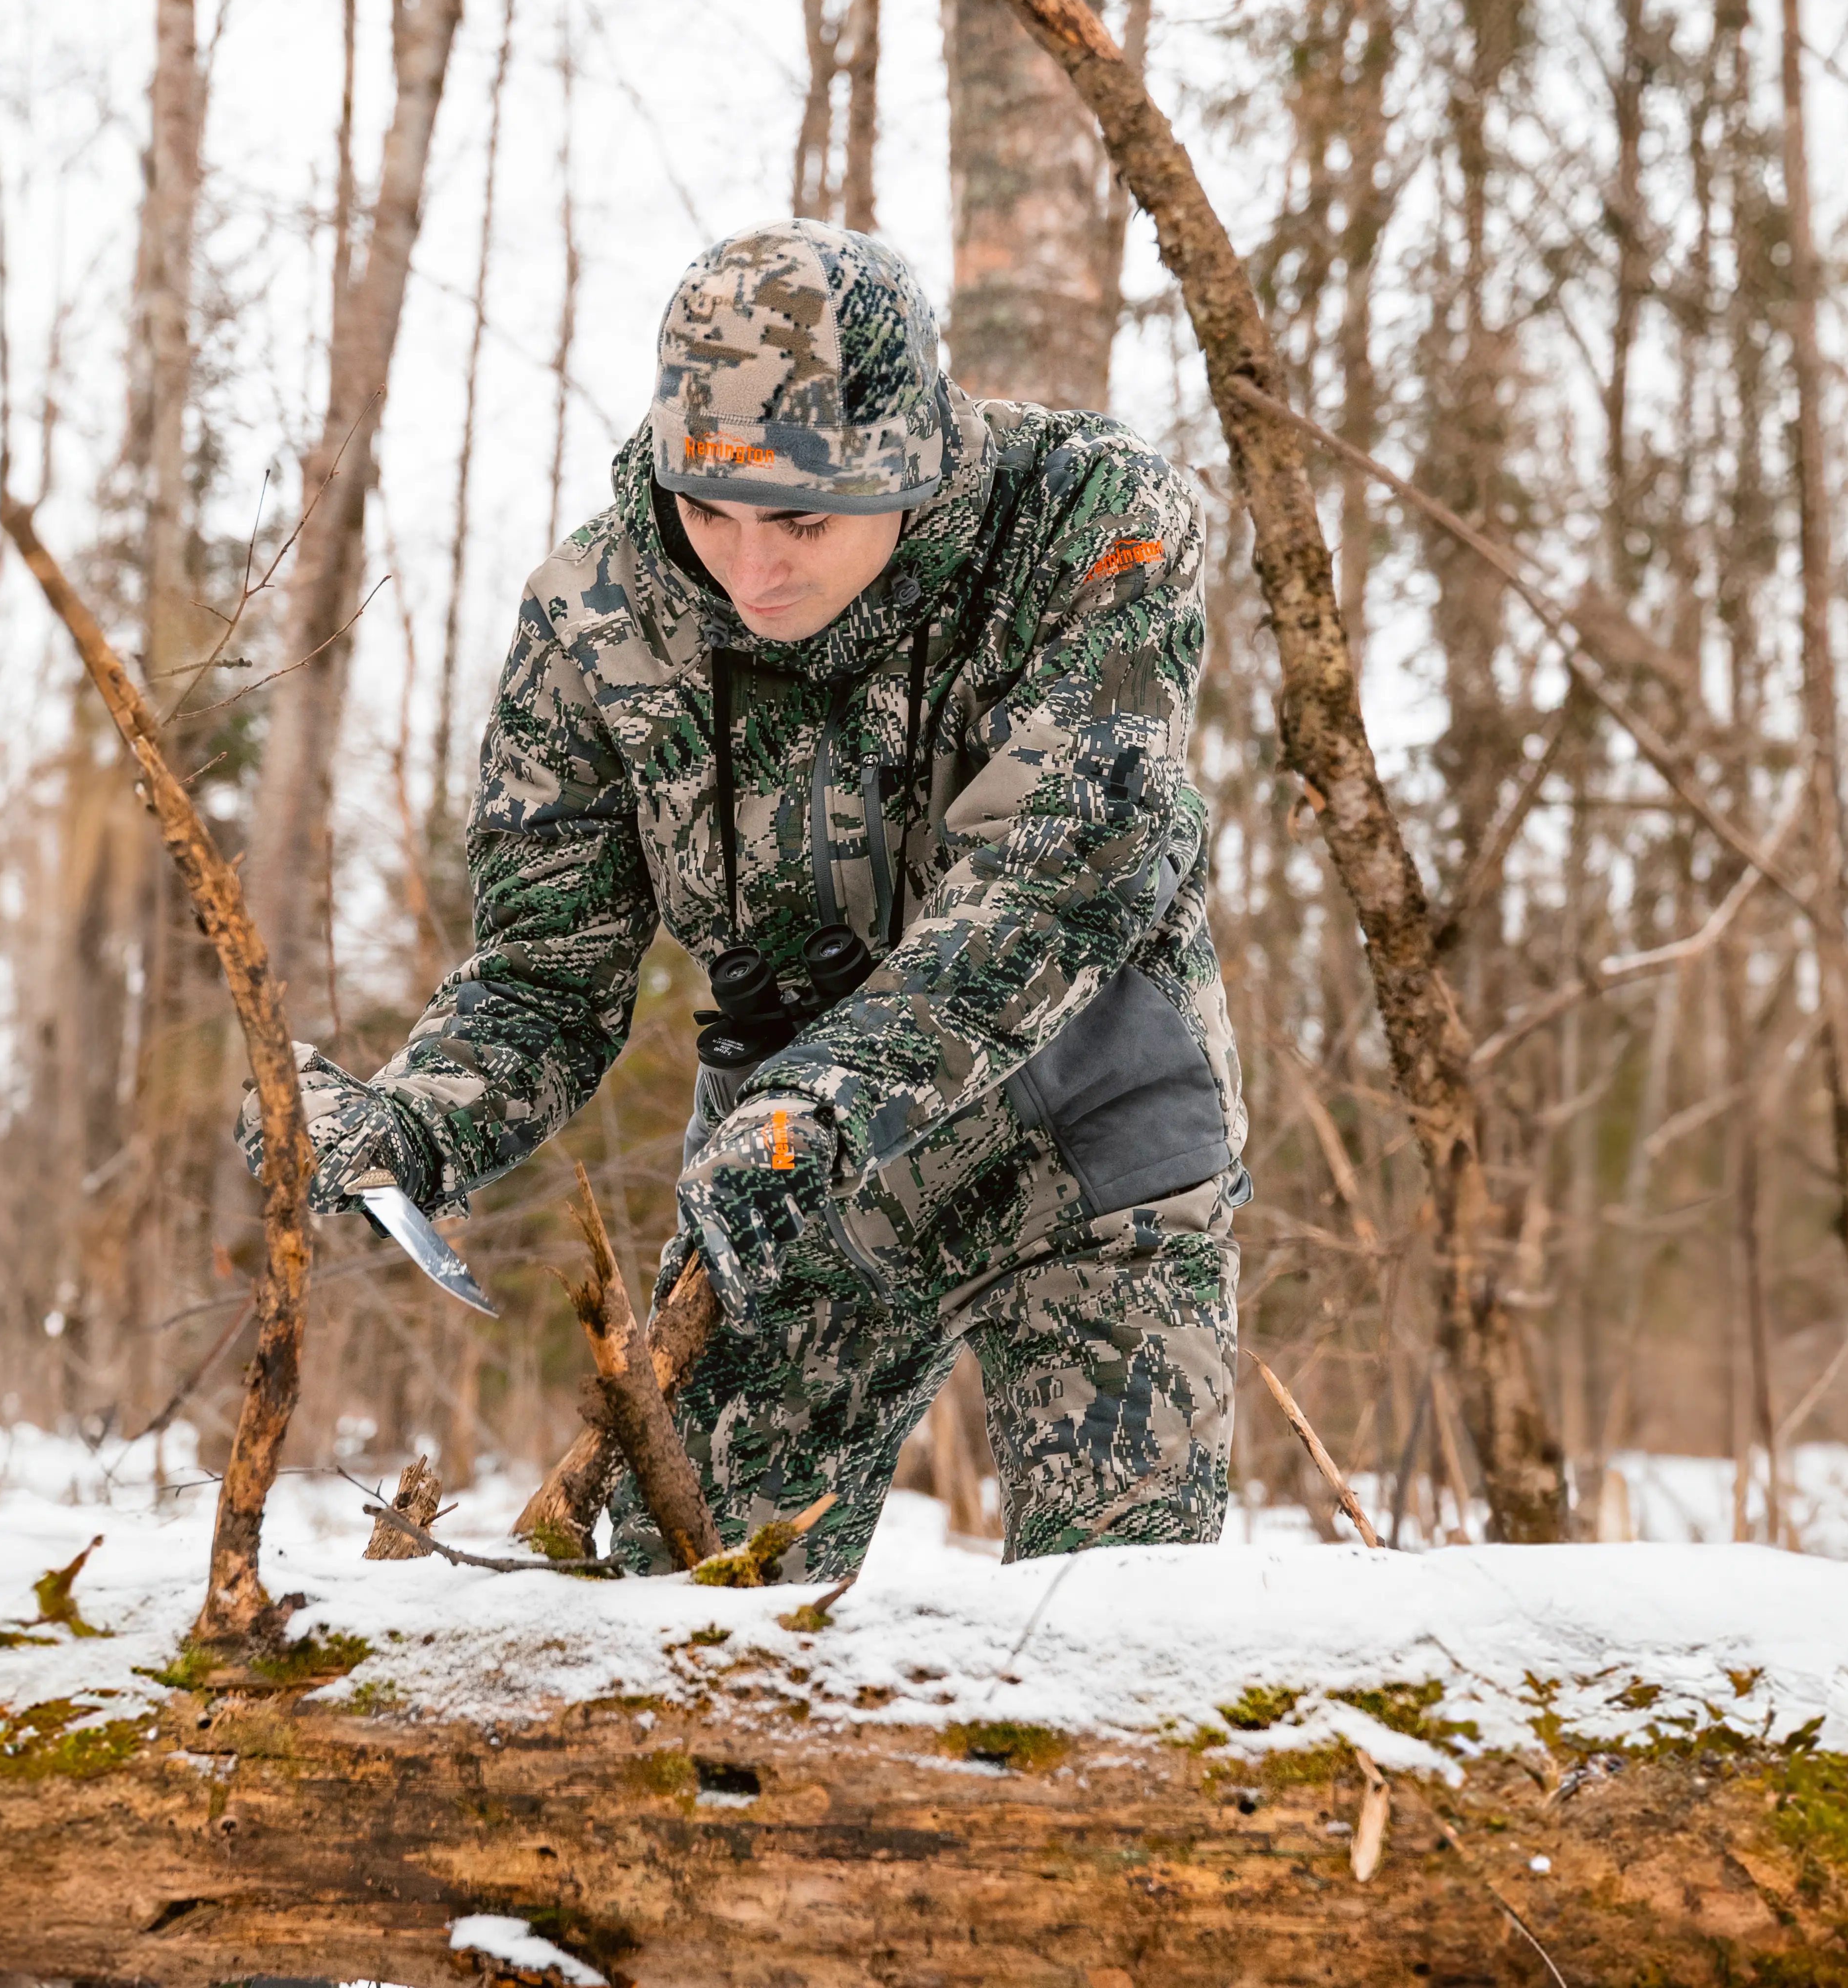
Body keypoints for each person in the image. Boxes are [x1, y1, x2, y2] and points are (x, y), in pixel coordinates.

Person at [245, 218, 1244, 1580]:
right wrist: (408, 1124)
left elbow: (1067, 864)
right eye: (711, 512)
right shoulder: (593, 621)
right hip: (782, 1203)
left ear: (916, 463)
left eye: (805, 521)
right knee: (693, 1635)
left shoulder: (1089, 521)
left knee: (1126, 1651)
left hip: (1094, 1144)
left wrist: (834, 1096)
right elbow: (547, 975)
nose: (752, 568)